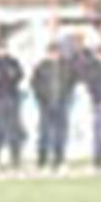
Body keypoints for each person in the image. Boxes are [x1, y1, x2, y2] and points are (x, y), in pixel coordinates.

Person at [31, 42, 76, 170]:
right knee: (44, 132)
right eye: (52, 52)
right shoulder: (41, 66)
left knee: (60, 133)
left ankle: (59, 159)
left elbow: (71, 82)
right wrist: (41, 98)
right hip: (46, 104)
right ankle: (42, 160)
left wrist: (66, 96)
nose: (54, 55)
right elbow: (35, 84)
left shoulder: (66, 66)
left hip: (61, 102)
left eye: (56, 52)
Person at [0, 39, 26, 169]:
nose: (1, 51)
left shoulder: (13, 61)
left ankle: (16, 158)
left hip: (12, 97)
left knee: (14, 128)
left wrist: (9, 75)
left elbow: (18, 75)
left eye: (3, 48)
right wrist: (6, 74)